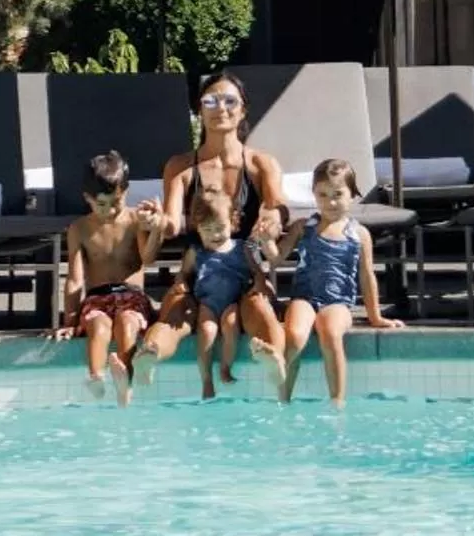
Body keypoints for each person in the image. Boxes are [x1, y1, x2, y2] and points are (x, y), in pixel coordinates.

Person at [273, 157, 401, 405]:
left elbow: (366, 275)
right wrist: (264, 241)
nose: (330, 202)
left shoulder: (359, 234)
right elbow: (277, 259)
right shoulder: (303, 227)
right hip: (304, 298)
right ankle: (283, 400)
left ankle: (337, 401)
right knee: (295, 335)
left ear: (352, 194)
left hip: (338, 302)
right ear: (313, 194)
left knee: (330, 332)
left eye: (337, 194)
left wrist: (375, 316)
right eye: (322, 195)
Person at [132, 189, 283, 398]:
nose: (215, 235)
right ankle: (206, 381)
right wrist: (182, 283)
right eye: (207, 230)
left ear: (233, 222)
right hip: (207, 303)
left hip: (233, 302)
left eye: (220, 228)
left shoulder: (243, 248)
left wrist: (259, 284)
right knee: (207, 330)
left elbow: (258, 272)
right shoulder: (196, 252)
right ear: (198, 228)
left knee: (230, 326)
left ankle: (225, 368)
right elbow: (184, 273)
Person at [57, 150, 164, 398]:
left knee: (127, 322)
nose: (111, 210)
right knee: (98, 326)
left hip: (132, 296)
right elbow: (74, 279)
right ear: (88, 199)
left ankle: (125, 380)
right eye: (101, 205)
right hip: (96, 297)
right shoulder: (79, 229)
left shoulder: (134, 221)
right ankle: (95, 376)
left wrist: (156, 230)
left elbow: (148, 258)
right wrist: (69, 323)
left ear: (125, 193)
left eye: (116, 202)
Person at [158, 69, 283, 248]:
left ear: (243, 111)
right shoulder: (179, 167)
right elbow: (171, 225)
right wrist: (155, 221)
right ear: (200, 111)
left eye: (230, 101)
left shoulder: (262, 164)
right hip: (200, 270)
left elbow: (276, 205)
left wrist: (273, 220)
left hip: (248, 270)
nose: (221, 108)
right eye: (210, 102)